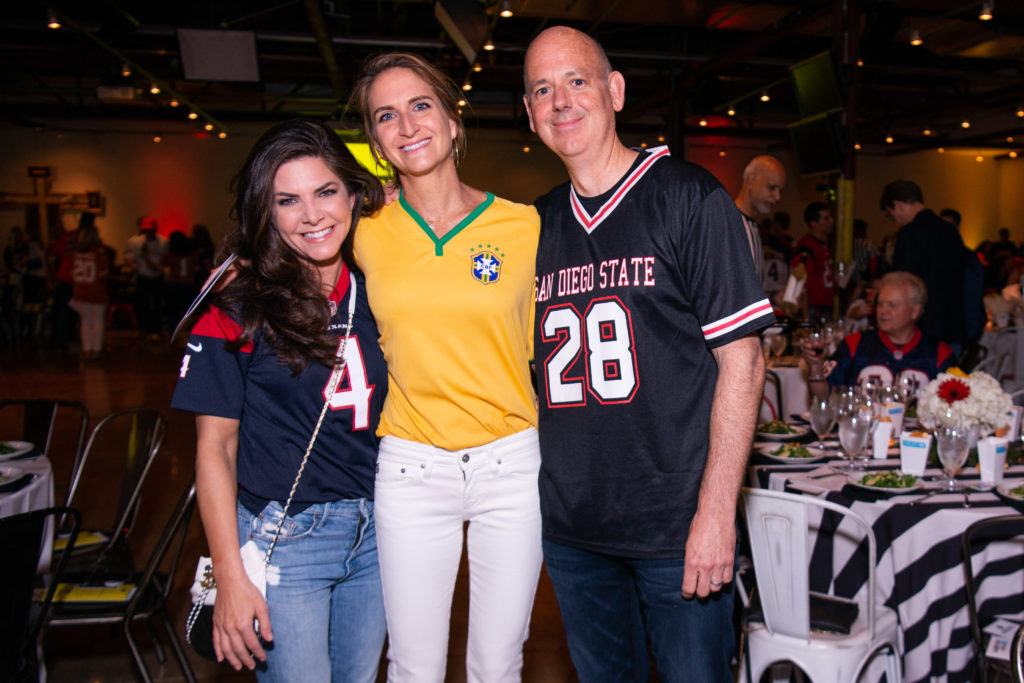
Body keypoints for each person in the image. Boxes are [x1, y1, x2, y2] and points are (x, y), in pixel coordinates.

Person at [522, 26, 774, 681]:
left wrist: (716, 513)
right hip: (575, 529)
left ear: (615, 90)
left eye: (577, 80)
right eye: (542, 89)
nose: (560, 101)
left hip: (677, 525)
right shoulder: (533, 226)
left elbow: (744, 362)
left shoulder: (688, 196)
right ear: (529, 113)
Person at [171, 118, 388, 681]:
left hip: (382, 533)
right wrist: (230, 576)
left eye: (326, 192)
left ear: (353, 195)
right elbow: (215, 448)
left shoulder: (386, 286)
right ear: (265, 213)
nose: (312, 215)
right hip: (286, 539)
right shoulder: (236, 305)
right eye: (287, 201)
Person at [350, 53, 542, 682]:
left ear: (454, 122)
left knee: (498, 664)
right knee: (413, 666)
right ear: (375, 140)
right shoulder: (361, 231)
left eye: (420, 105)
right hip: (411, 469)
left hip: (511, 467)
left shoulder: (525, 227)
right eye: (386, 115)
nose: (407, 125)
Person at [802, 271, 954, 398]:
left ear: (915, 311)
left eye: (892, 305)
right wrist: (815, 366)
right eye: (880, 304)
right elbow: (823, 396)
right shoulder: (854, 344)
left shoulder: (939, 354)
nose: (883, 310)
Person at [882, 179, 971, 353]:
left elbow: (901, 284)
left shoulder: (909, 234)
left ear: (898, 205)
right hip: (953, 326)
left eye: (891, 214)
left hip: (922, 330)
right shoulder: (950, 231)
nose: (895, 220)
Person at [734, 154, 787, 287]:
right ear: (751, 180)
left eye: (780, 191)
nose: (777, 197)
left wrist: (774, 296)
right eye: (772, 187)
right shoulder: (729, 225)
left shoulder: (752, 226)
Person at [68, 223, 111, 360]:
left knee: (85, 322)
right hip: (96, 291)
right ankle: (96, 349)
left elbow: (71, 272)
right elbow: (103, 274)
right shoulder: (100, 253)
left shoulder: (75, 254)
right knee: (97, 321)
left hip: (80, 291)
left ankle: (87, 349)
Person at [123, 215, 168, 341]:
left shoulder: (163, 242)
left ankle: (155, 330)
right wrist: (132, 266)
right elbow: (129, 259)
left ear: (155, 229)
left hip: (157, 277)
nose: (147, 232)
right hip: (141, 276)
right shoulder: (134, 242)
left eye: (150, 229)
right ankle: (143, 329)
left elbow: (163, 263)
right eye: (145, 229)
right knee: (141, 304)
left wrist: (147, 256)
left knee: (157, 305)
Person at [791, 201, 836, 321]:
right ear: (813, 223)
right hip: (814, 308)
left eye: (831, 217)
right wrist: (806, 316)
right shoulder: (807, 247)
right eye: (826, 218)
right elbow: (801, 284)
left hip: (825, 306)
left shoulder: (822, 243)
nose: (831, 221)